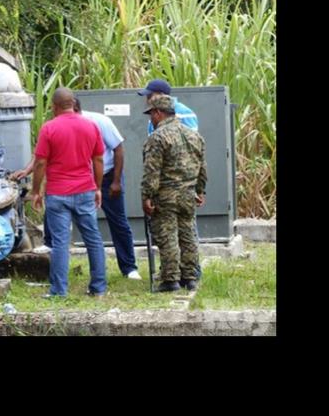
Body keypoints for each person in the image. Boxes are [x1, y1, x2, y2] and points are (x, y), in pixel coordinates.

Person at [11, 97, 141, 280]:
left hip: (106, 176)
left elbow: (116, 150)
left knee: (117, 221)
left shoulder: (98, 122)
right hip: (81, 181)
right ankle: (52, 246)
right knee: (65, 222)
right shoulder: (61, 125)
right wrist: (27, 170)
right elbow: (41, 156)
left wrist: (115, 182)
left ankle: (128, 267)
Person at [29, 87, 107, 298]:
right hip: (85, 190)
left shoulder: (49, 128)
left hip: (58, 193)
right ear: (73, 103)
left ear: (54, 106)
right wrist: (98, 187)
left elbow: (40, 162)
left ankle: (58, 291)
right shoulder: (91, 126)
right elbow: (98, 159)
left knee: (60, 243)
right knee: (93, 238)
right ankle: (99, 288)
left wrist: (36, 191)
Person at [137, 78, 204, 281]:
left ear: (158, 113)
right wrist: (200, 190)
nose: (150, 119)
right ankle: (190, 276)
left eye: (151, 114)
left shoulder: (158, 137)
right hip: (188, 193)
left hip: (166, 194)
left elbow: (152, 171)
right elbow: (202, 165)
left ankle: (170, 278)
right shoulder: (194, 135)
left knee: (168, 236)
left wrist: (147, 195)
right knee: (188, 235)